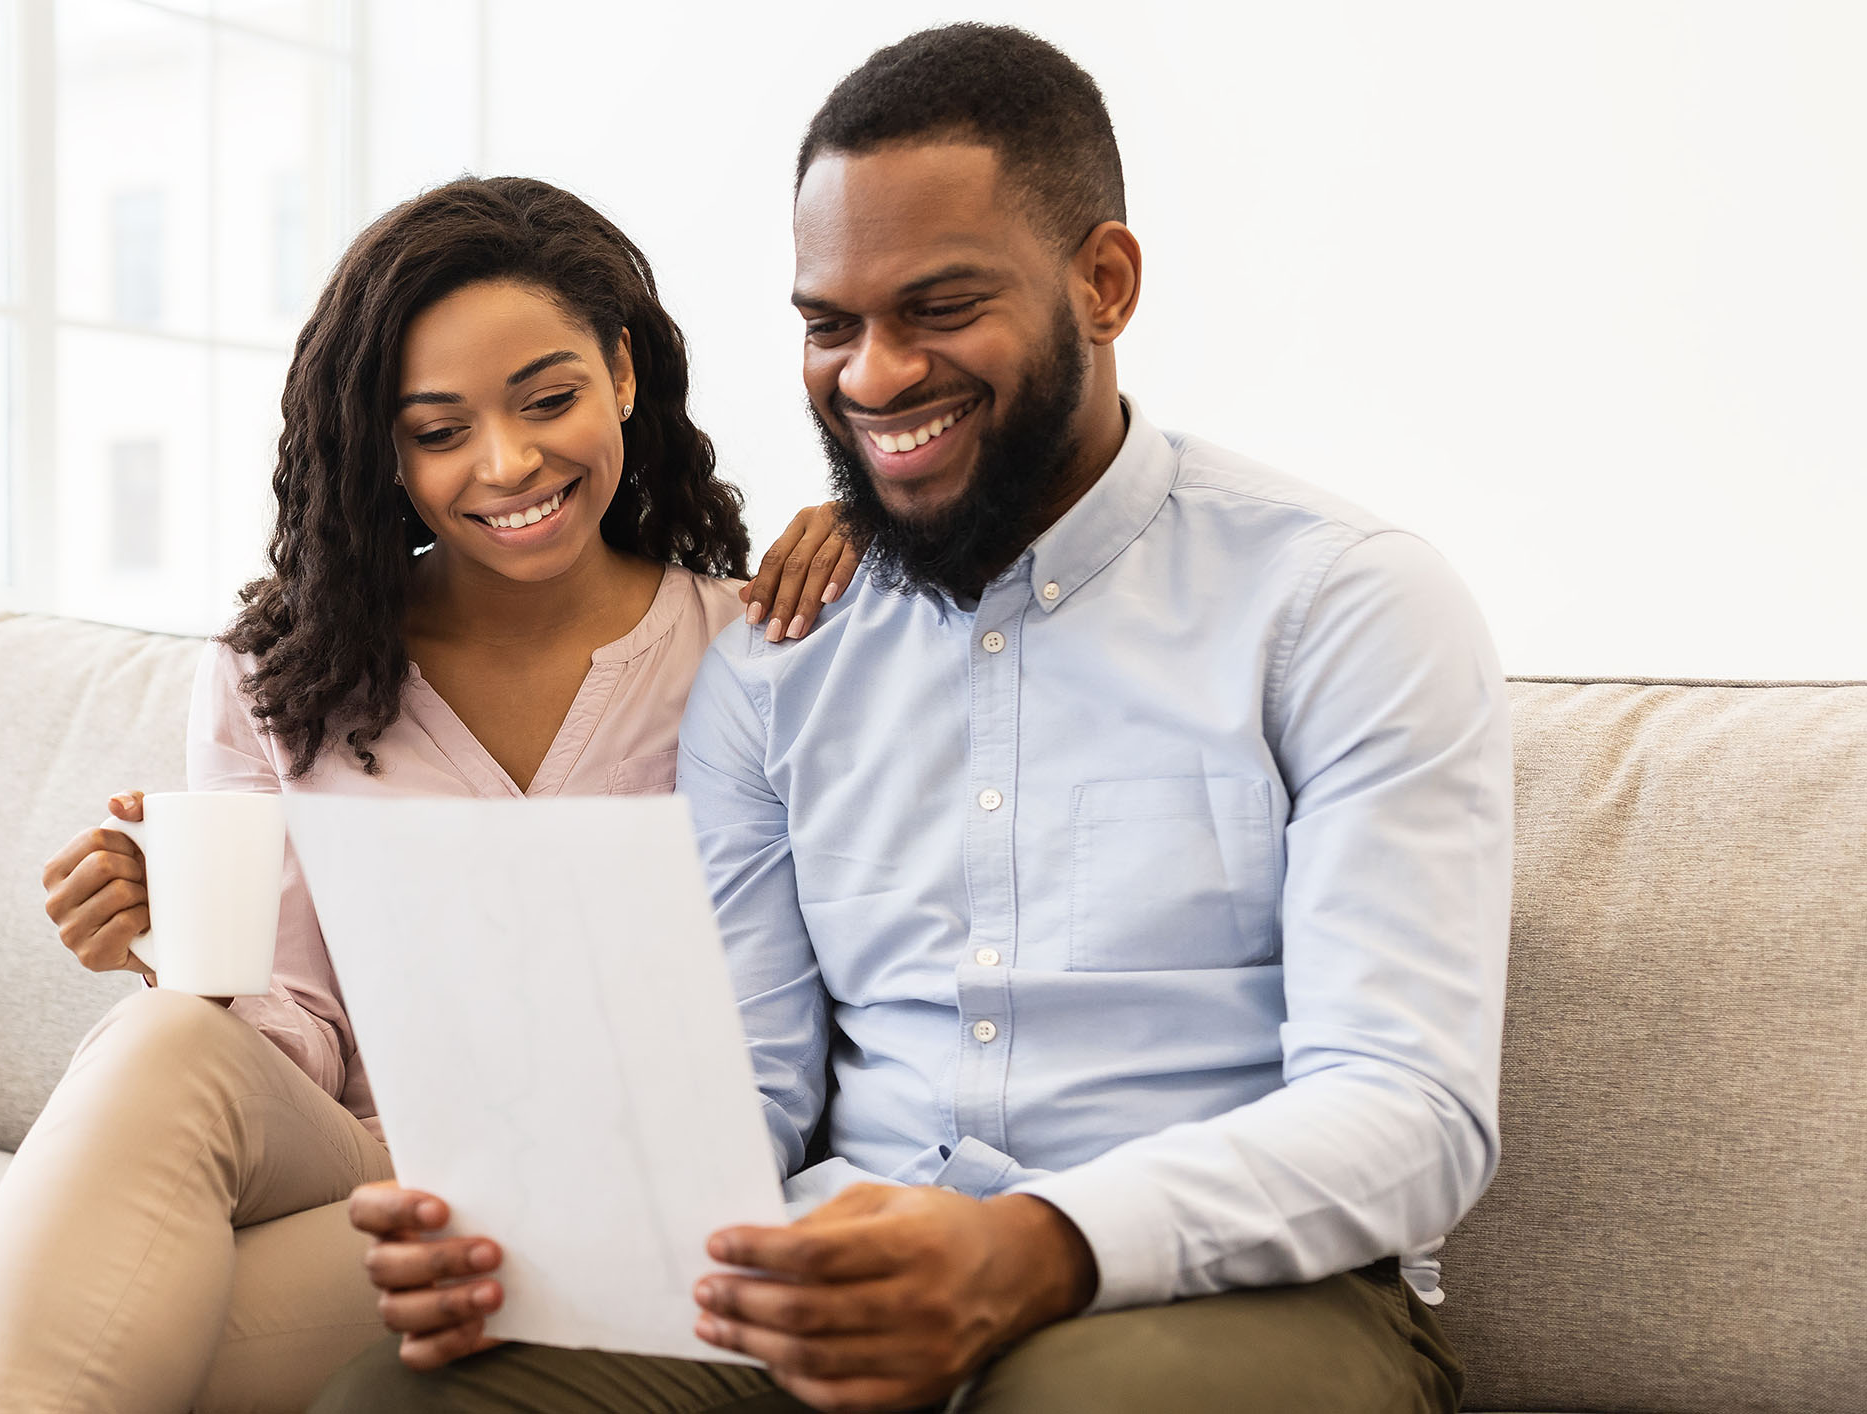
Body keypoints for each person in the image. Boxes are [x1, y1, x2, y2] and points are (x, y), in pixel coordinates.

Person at [323, 23, 1509, 1414]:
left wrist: (1032, 1249)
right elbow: (745, 1082)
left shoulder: (1339, 606)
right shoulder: (775, 660)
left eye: (938, 308)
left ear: (1104, 283)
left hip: (1229, 1292)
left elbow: (1409, 1111)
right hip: (826, 1266)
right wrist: (537, 1231)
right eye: (828, 325)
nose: (872, 375)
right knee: (401, 1399)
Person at [0, 176, 857, 1413]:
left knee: (136, 1332)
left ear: (623, 375)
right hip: (359, 1156)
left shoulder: (760, 647)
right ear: (386, 451)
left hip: (621, 1198)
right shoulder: (284, 676)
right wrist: (185, 953)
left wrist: (885, 527)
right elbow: (292, 1026)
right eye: (438, 430)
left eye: (550, 400)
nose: (506, 462)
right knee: (164, 1039)